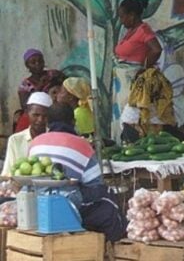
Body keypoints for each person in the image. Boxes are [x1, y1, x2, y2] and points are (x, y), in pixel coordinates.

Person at [29, 104, 126, 242]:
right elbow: (95, 183)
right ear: (73, 122)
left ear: (48, 122)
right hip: (66, 203)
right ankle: (111, 247)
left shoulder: (35, 143)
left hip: (36, 201)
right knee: (107, 198)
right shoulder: (81, 145)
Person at [112, 0, 162, 141]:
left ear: (132, 15)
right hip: (122, 84)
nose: (121, 20)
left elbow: (156, 50)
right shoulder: (131, 31)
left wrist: (144, 68)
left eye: (122, 16)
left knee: (131, 116)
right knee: (122, 114)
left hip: (133, 81)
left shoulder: (143, 30)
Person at [1, 92, 52, 176]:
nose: (40, 119)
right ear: (28, 113)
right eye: (36, 115)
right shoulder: (15, 140)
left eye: (45, 116)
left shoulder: (53, 138)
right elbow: (8, 173)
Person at [15, 49, 64, 132]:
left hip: (56, 110)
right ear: (27, 66)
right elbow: (25, 106)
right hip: (37, 113)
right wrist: (40, 86)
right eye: (33, 62)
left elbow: (67, 87)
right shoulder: (25, 85)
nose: (37, 64)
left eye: (40, 61)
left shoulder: (53, 74)